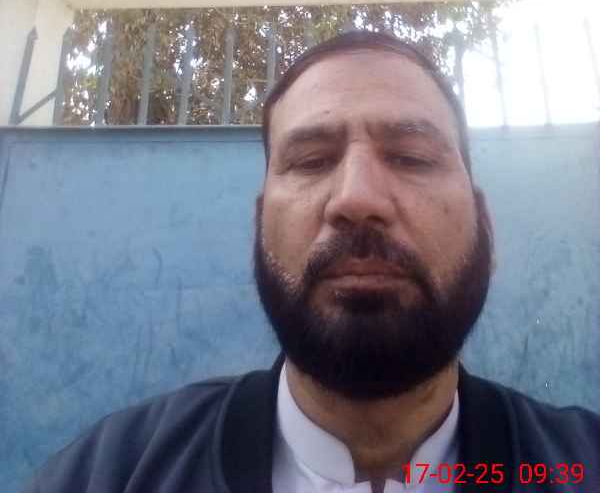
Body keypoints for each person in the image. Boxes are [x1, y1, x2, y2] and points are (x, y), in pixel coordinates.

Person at [24, 31, 600, 493]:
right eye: (311, 160)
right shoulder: (109, 474)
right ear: (260, 228)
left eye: (410, 157)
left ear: (487, 231)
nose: (357, 198)